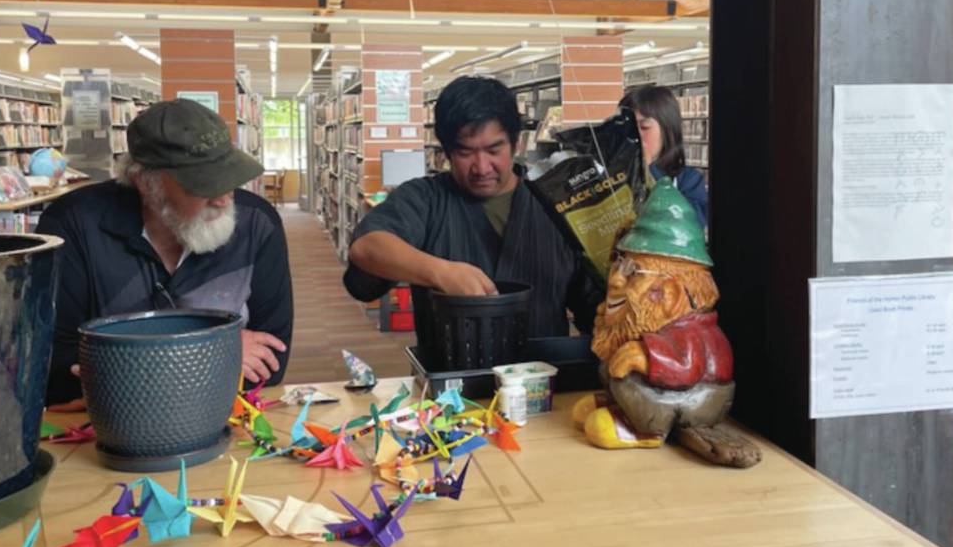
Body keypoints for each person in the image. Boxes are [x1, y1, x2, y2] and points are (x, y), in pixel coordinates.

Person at [38, 99, 292, 409]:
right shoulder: (74, 224)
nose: (224, 199)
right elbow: (56, 369)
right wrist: (217, 352)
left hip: (226, 418)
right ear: (146, 182)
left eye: (229, 179)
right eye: (205, 185)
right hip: (110, 435)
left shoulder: (257, 224)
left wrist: (119, 371)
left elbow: (269, 362)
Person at [343, 75, 601, 344]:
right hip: (451, 380)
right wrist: (441, 272)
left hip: (541, 380)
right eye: (465, 152)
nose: (481, 167)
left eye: (494, 149)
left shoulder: (557, 202)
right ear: (446, 152)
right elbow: (367, 247)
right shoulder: (424, 198)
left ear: (517, 144)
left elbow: (593, 307)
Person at [621, 84, 708, 227]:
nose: (633, 135)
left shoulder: (687, 179)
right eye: (625, 128)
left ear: (668, 129)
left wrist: (648, 173)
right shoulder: (612, 176)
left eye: (644, 127)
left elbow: (692, 224)